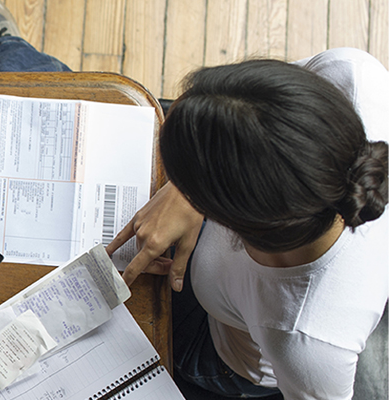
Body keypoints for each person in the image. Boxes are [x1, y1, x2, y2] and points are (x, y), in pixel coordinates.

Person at [108, 48, 389, 398]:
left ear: (228, 223)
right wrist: (181, 189)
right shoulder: (354, 78)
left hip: (217, 350)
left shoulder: (303, 340)